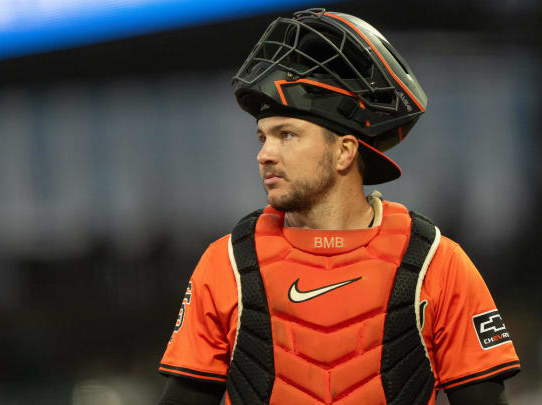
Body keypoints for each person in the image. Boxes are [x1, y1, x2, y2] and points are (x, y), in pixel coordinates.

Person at [157, 8, 520, 405]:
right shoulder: (226, 263)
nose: (264, 154)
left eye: (287, 135)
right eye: (262, 137)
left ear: (345, 151)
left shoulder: (436, 262)